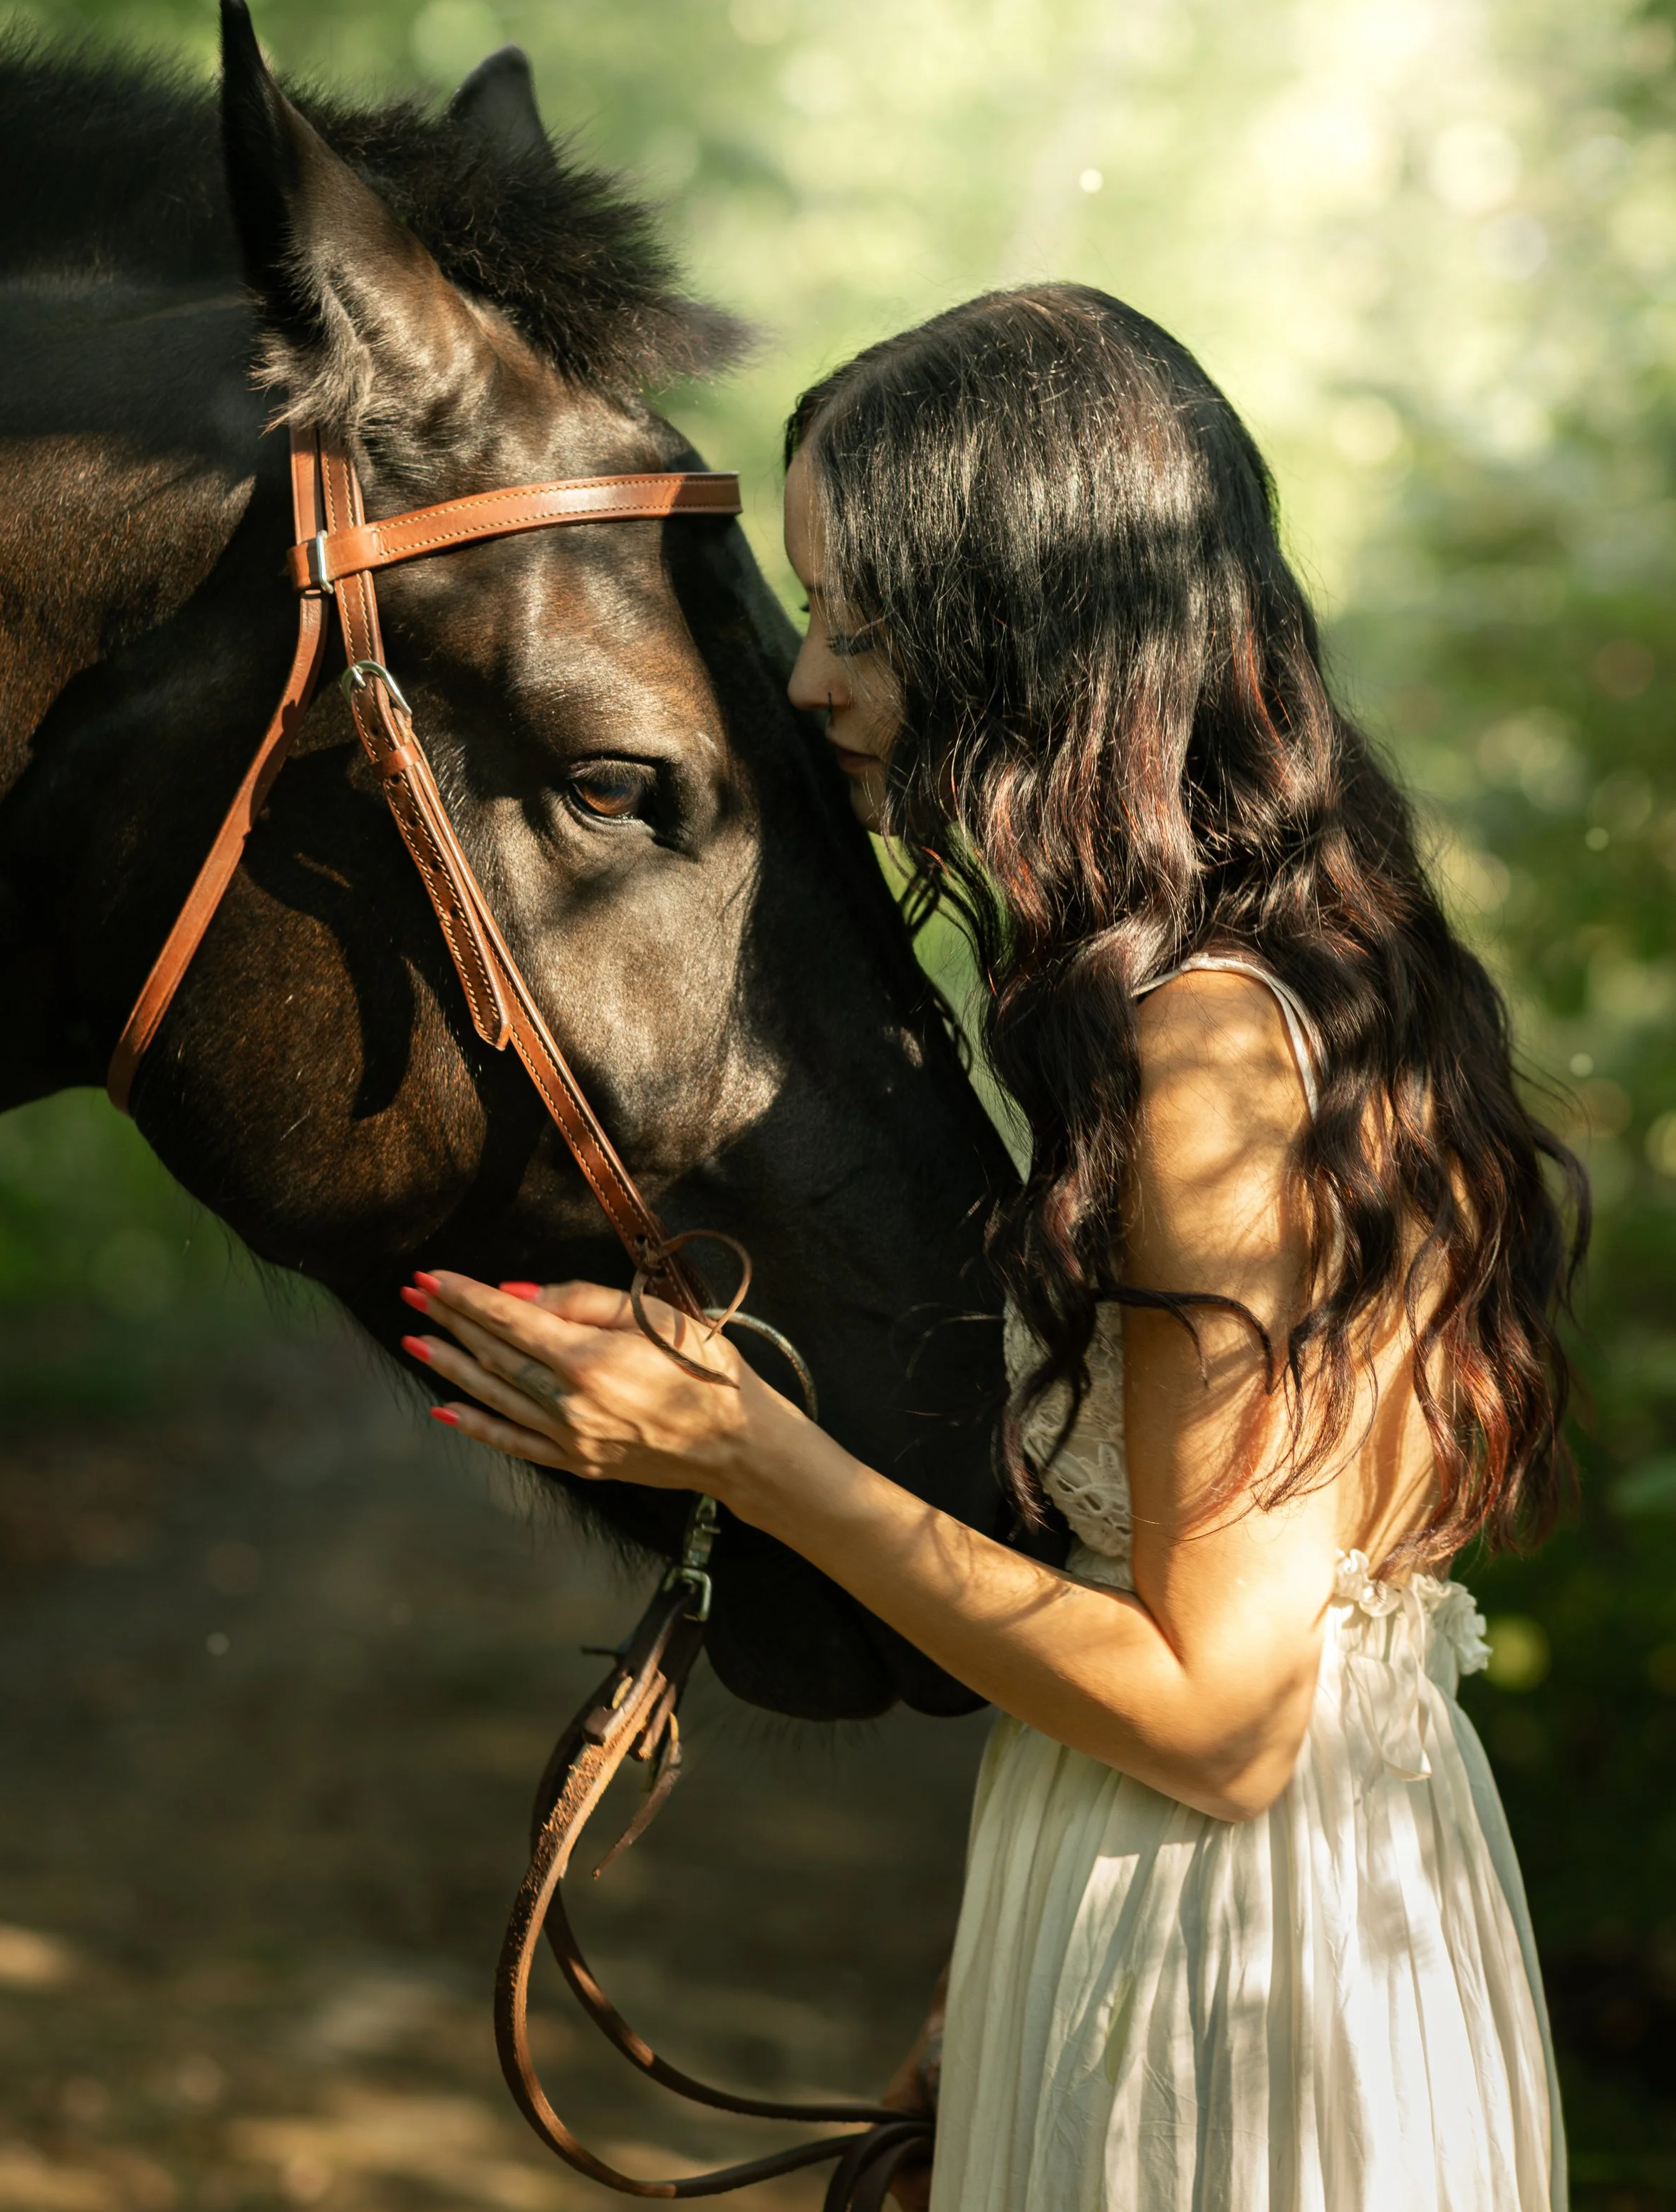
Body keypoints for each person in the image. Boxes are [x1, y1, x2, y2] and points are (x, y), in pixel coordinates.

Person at [400, 285, 1581, 2211]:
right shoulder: (1298, 987)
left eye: (860, 615)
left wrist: (743, 1458)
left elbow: (1216, 1715)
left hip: (1245, 1984)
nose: (808, 680)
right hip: (1232, 1922)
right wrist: (980, 2017)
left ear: (1018, 629)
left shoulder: (1208, 1051)